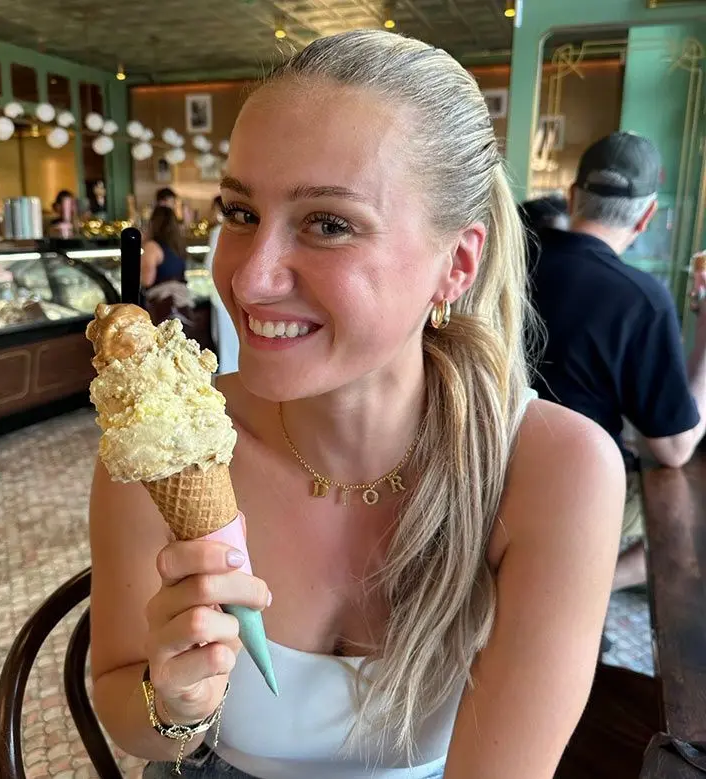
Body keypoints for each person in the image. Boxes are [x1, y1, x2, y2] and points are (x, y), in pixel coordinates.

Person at [90, 31, 625, 779]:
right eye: (241, 213)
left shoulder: (551, 470)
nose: (249, 280)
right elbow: (124, 703)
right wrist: (177, 705)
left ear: (456, 263)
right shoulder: (162, 446)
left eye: (329, 223)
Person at [529, 131, 706, 592]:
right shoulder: (641, 298)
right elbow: (674, 447)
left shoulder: (510, 261)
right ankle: (584, 588)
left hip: (485, 469)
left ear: (573, 196)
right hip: (576, 487)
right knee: (687, 519)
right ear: (647, 216)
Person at [204, 196, 240, 374]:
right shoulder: (238, 232)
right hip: (233, 294)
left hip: (220, 294)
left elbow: (208, 263)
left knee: (225, 341)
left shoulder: (219, 231)